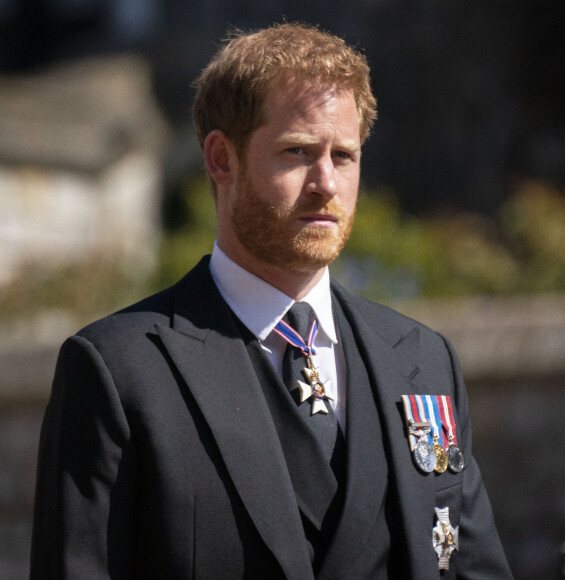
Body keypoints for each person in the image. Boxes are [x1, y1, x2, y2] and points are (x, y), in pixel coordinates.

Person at [30, 23, 512, 579]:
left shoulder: (424, 361)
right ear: (221, 159)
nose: (326, 183)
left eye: (344, 156)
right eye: (298, 151)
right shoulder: (119, 370)